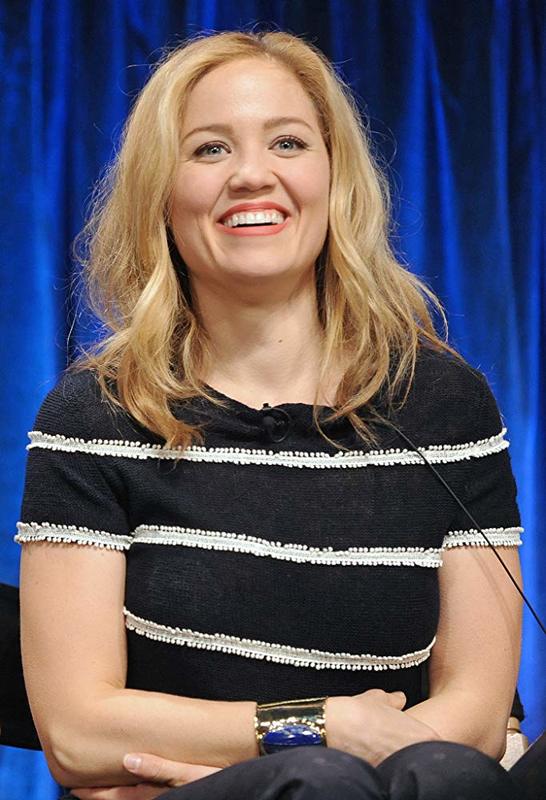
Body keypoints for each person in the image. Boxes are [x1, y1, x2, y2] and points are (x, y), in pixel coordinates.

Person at [16, 29, 525, 800]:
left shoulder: (445, 406)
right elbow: (80, 732)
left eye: (287, 142)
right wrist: (315, 729)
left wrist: (353, 755)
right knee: (317, 781)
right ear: (161, 193)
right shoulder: (95, 417)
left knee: (446, 772)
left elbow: (479, 712)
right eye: (210, 149)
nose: (253, 174)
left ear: (335, 178)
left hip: (410, 782)